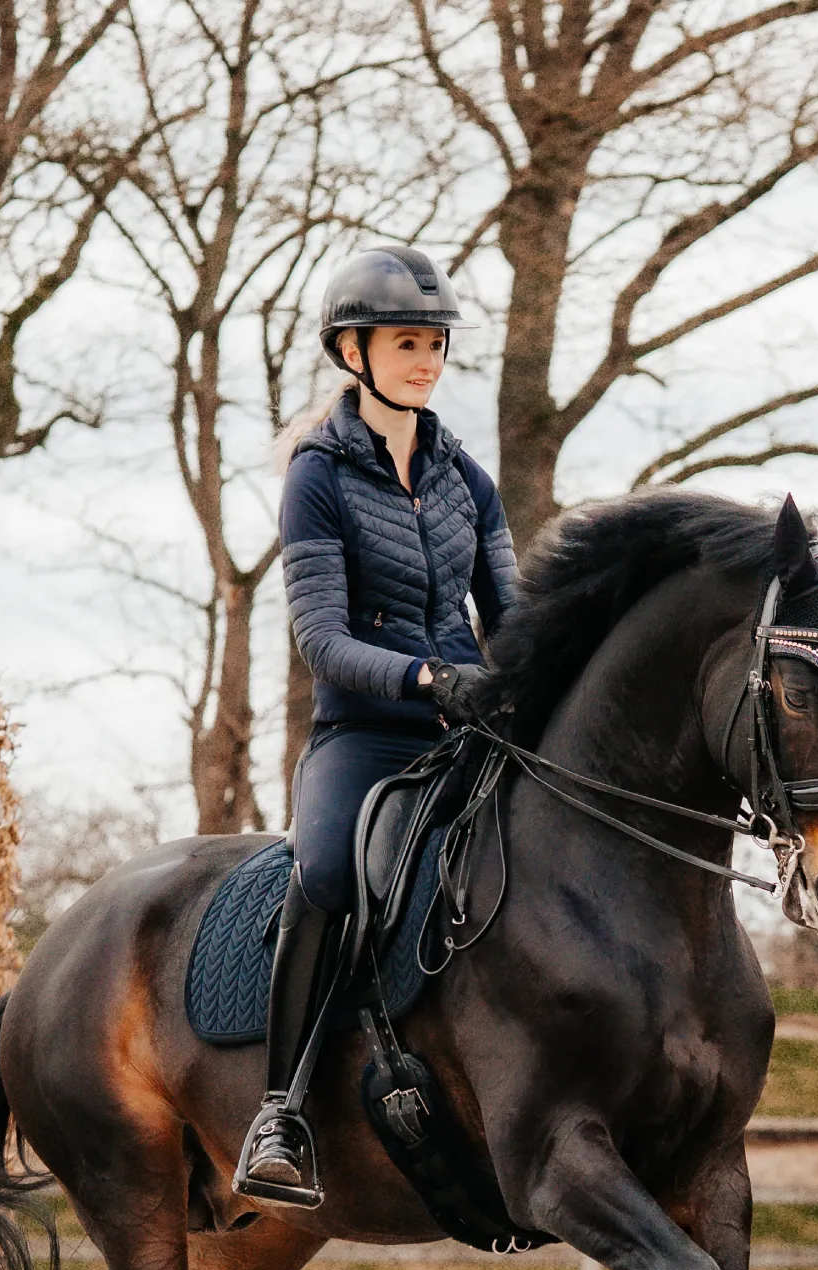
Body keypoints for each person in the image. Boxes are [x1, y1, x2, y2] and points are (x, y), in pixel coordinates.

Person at [233, 245, 518, 1208]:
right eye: (407, 342)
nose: (427, 360)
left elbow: (512, 616)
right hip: (366, 732)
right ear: (352, 349)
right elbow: (321, 636)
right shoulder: (318, 475)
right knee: (321, 874)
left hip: (468, 729)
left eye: (435, 343)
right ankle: (281, 1111)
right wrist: (429, 674)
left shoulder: (466, 481)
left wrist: (526, 680)